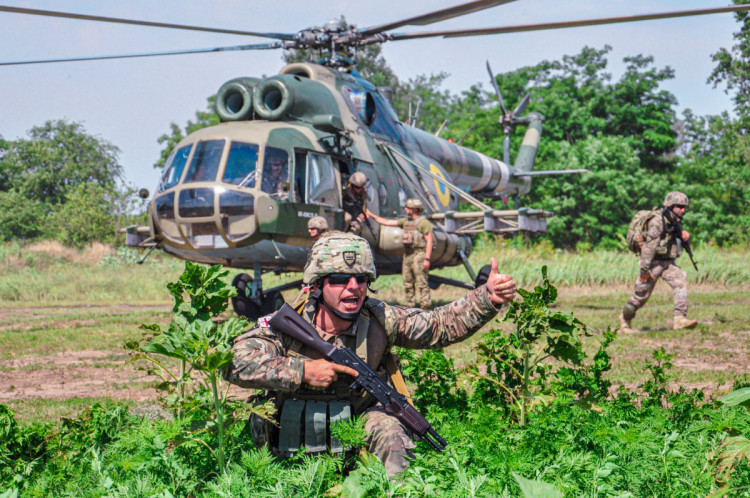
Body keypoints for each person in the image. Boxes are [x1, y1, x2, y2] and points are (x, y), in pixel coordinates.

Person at [225, 232, 516, 477]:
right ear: (317, 285)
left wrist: (487, 297)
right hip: (288, 433)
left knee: (390, 429)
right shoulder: (287, 322)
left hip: (355, 426)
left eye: (361, 278)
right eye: (340, 278)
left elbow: (438, 326)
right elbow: (233, 361)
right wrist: (302, 372)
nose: (353, 287)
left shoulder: (379, 319)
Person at [619, 191, 698, 333]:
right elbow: (649, 248)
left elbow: (675, 241)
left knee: (680, 281)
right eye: (680, 206)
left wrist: (685, 236)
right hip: (652, 263)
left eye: (684, 207)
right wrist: (644, 271)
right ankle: (625, 321)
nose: (683, 210)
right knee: (640, 297)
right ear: (670, 206)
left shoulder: (675, 220)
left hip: (668, 262)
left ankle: (679, 319)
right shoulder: (657, 222)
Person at [367, 198, 434, 309]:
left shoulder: (424, 223)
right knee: (407, 282)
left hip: (419, 254)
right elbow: (387, 222)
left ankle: (425, 308)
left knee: (421, 282)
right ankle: (410, 307)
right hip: (408, 255)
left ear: (414, 209)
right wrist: (372, 215)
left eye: (408, 208)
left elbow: (429, 241)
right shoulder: (405, 222)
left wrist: (427, 259)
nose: (406, 209)